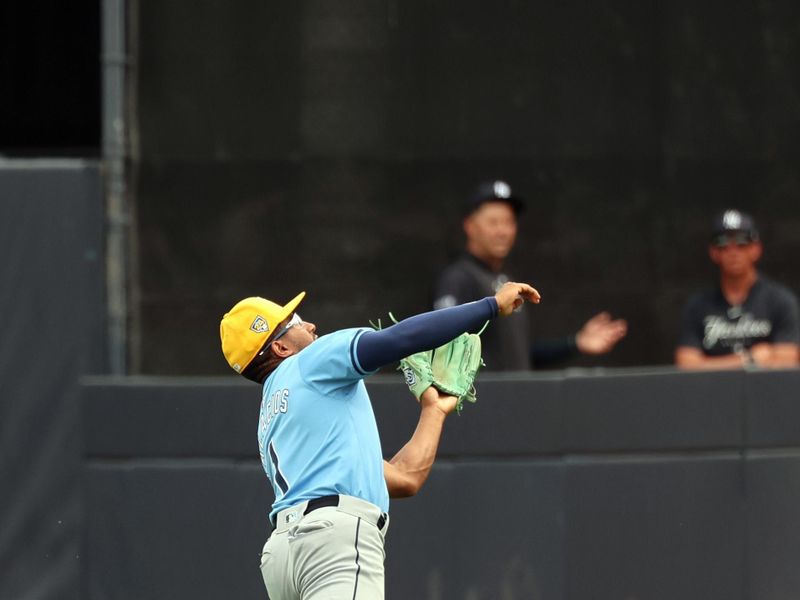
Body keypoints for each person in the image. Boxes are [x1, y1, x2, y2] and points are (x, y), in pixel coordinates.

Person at [219, 281, 541, 599]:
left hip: (283, 557)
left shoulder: (276, 414)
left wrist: (434, 411)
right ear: (281, 348)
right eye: (296, 323)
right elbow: (400, 338)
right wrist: (491, 306)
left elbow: (404, 479)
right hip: (332, 542)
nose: (311, 325)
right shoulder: (310, 362)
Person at [433, 179, 627, 370]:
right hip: (484, 400)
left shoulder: (504, 280)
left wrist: (574, 343)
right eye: (493, 222)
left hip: (519, 398)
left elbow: (520, 357)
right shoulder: (457, 278)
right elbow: (442, 349)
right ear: (470, 226)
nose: (502, 231)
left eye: (508, 222)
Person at [675, 209, 800, 369]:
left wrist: (709, 365)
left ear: (756, 249)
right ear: (713, 252)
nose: (733, 251)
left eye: (742, 242)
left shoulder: (780, 300)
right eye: (723, 243)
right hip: (712, 392)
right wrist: (748, 360)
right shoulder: (697, 306)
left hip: (768, 391)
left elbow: (787, 362)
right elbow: (686, 365)